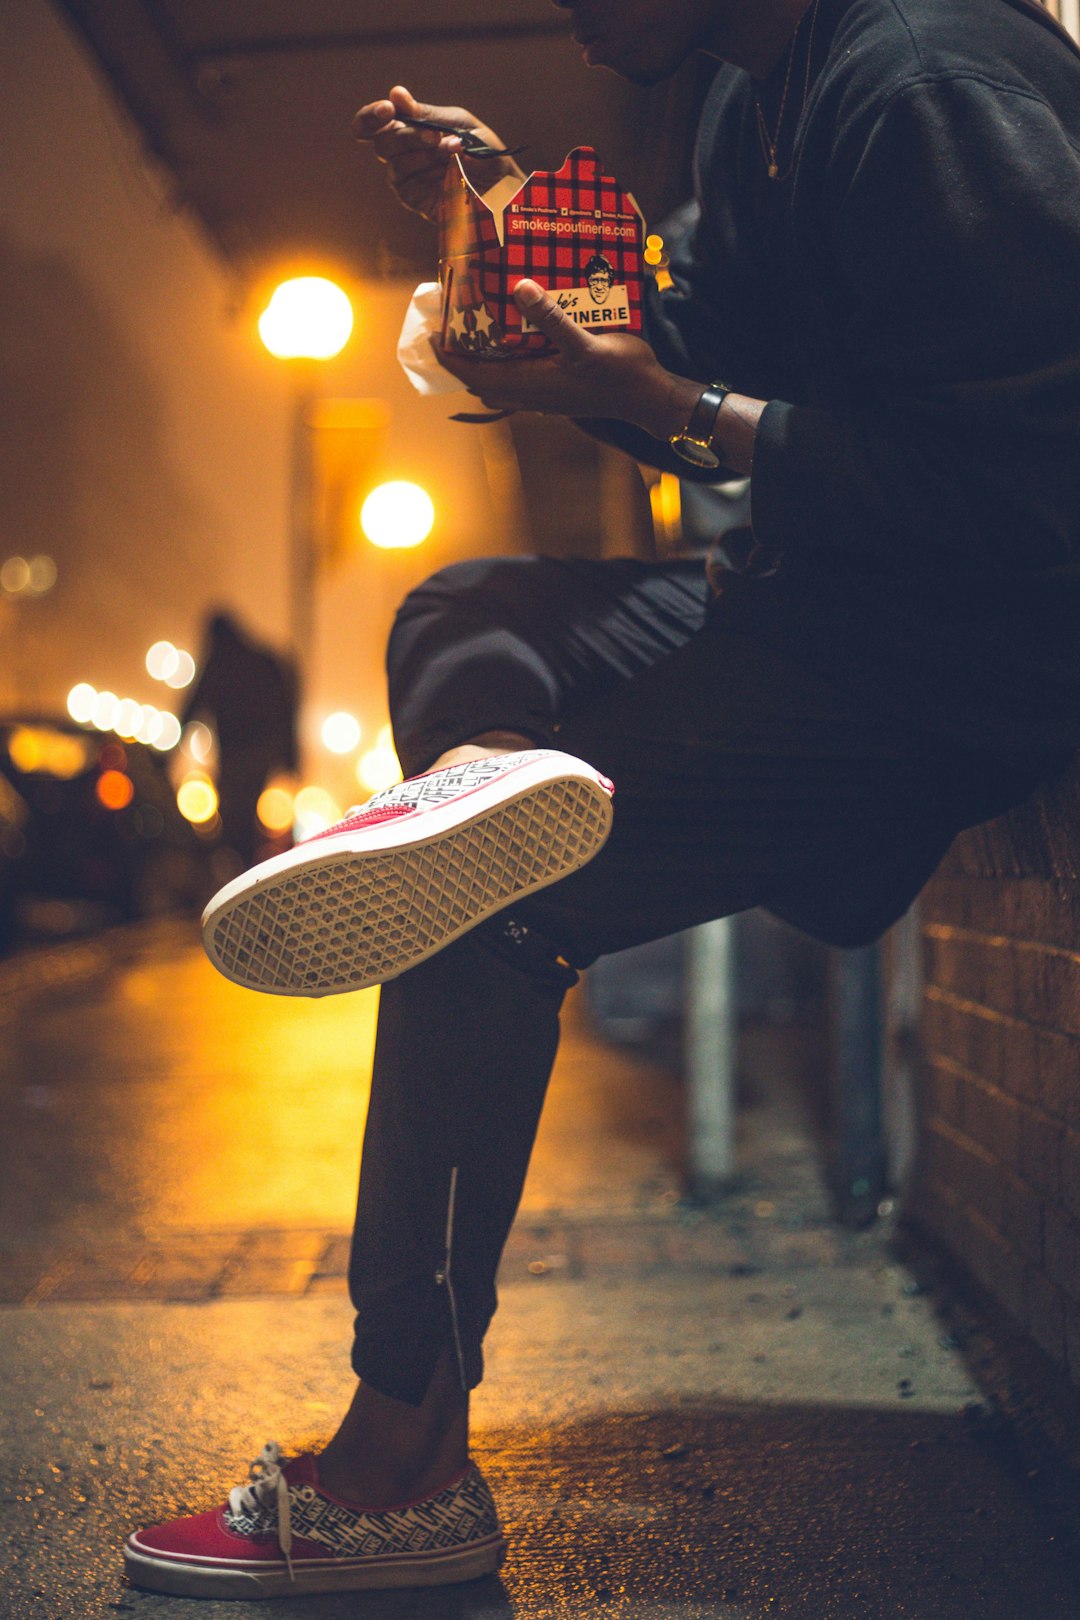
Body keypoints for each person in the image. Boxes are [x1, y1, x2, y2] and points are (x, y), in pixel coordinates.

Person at [124, 0, 1080, 1599]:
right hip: (817, 599)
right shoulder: (748, 92)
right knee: (459, 619)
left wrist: (677, 417)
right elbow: (679, 317)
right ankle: (492, 798)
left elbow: (1039, 484)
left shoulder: (925, 85)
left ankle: (402, 1465)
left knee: (470, 913)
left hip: (954, 657)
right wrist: (504, 224)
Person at [179, 610, 299, 871]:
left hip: (236, 754)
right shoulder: (265, 661)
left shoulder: (220, 662)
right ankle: (243, 866)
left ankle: (235, 866)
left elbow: (192, 706)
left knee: (233, 810)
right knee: (245, 807)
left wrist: (170, 750)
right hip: (262, 751)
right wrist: (291, 758)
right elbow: (288, 712)